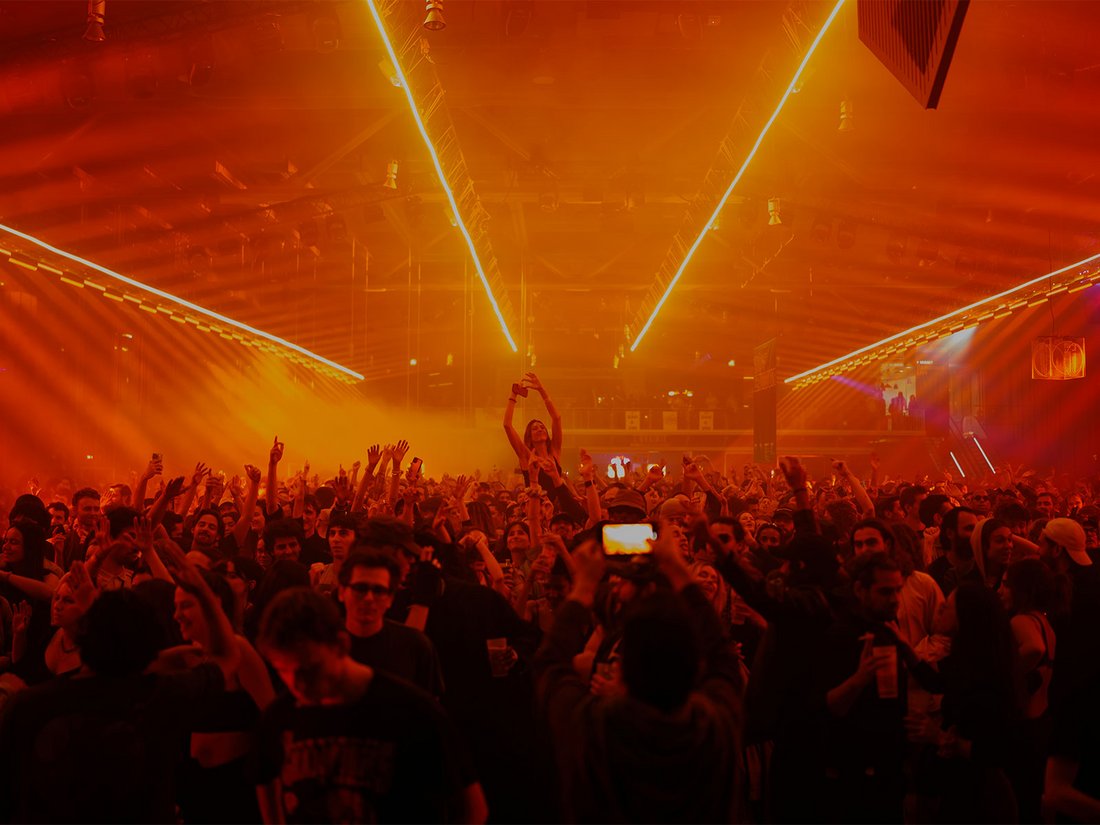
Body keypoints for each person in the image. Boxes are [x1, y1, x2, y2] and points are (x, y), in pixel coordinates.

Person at [0, 546, 240, 823]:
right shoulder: (162, 695)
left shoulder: (29, 706)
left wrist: (94, 609)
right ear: (150, 644)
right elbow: (228, 655)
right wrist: (202, 589)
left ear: (83, 637)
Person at [535, 531, 742, 823]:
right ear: (696, 667)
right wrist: (679, 572)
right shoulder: (715, 723)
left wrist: (583, 588)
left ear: (624, 667)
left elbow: (549, 663)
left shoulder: (594, 725)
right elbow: (722, 652)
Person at [254, 588, 486, 824]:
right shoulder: (279, 717)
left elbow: (472, 808)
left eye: (309, 669)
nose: (298, 685)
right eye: (283, 670)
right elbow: (265, 783)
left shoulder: (411, 710)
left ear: (341, 645)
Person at [337, 551, 444, 697]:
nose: (369, 598)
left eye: (379, 591)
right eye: (360, 588)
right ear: (342, 592)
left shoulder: (416, 646)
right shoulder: (321, 643)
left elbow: (429, 707)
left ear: (390, 599)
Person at [1000, 558, 1058, 823]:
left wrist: (1009, 674)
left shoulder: (1021, 621)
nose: (1000, 591)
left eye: (1006, 585)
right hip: (1043, 723)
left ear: (1022, 589)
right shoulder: (1042, 621)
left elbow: (1035, 649)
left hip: (1025, 729)